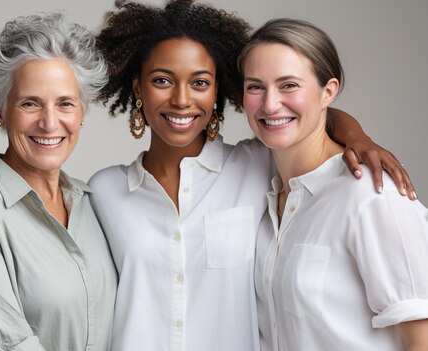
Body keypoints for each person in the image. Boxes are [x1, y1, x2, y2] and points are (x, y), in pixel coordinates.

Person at [88, 0, 415, 350]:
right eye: (162, 80)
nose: (181, 99)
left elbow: (305, 117)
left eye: (200, 82)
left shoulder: (256, 163)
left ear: (217, 91)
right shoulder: (104, 192)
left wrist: (358, 138)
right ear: (138, 88)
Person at [238, 18, 428, 350]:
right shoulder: (259, 189)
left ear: (329, 91)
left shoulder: (372, 195)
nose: (269, 104)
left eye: (289, 85)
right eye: (255, 86)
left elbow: (422, 338)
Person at [0, 13, 118, 351]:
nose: (50, 123)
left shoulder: (95, 202)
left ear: (81, 113)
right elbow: (4, 344)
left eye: (65, 103)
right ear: (0, 112)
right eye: (30, 103)